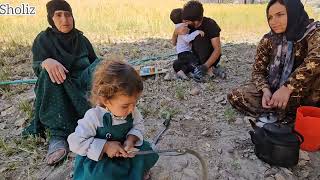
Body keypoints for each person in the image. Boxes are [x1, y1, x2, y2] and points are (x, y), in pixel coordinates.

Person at [23, 0, 100, 165]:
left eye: (68, 15)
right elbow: (38, 67)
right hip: (59, 92)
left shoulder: (81, 39)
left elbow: (95, 64)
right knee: (49, 74)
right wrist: (46, 62)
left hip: (83, 90)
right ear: (51, 19)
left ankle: (104, 116)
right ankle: (59, 135)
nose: (65, 20)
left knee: (103, 66)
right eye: (58, 15)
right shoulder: (43, 39)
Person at [227, 0, 320, 123]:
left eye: (280, 15)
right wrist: (265, 90)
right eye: (270, 17)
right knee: (236, 95)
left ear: (293, 12)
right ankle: (282, 112)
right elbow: (257, 72)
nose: (273, 21)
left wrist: (288, 87)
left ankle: (293, 113)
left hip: (308, 92)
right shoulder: (269, 39)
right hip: (276, 91)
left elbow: (316, 59)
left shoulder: (314, 32)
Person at [68, 59, 159, 180]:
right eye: (125, 106)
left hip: (125, 153)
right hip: (101, 159)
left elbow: (138, 125)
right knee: (101, 175)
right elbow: (75, 142)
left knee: (147, 152)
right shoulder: (94, 117)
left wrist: (131, 139)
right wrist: (105, 147)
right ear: (106, 100)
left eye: (135, 103)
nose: (132, 109)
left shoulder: (132, 111)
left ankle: (135, 173)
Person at [172, 0, 225, 80]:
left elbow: (217, 50)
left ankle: (210, 68)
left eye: (187, 21)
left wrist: (205, 66)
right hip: (193, 58)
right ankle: (200, 69)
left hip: (208, 58)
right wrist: (175, 32)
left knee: (200, 37)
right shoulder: (188, 26)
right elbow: (173, 43)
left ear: (196, 21)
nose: (185, 23)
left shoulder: (210, 25)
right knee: (176, 64)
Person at [170, 8, 204, 80]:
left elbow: (174, 42)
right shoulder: (183, 27)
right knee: (194, 61)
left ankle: (182, 73)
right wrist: (197, 32)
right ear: (183, 17)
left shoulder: (178, 26)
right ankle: (195, 72)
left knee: (182, 64)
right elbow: (187, 39)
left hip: (181, 52)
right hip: (185, 52)